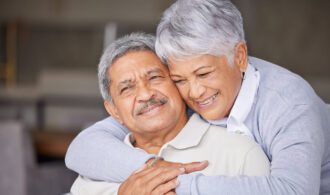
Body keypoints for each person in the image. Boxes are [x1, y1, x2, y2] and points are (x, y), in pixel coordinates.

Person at [66, 0, 330, 194]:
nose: (195, 92)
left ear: (239, 57)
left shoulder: (290, 105)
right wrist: (153, 168)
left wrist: (174, 182)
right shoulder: (180, 100)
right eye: (179, 79)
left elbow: (294, 191)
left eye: (204, 74)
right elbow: (82, 148)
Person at [69, 33, 270, 195]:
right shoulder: (97, 167)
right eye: (127, 89)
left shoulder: (241, 154)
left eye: (155, 77)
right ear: (114, 111)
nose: (146, 94)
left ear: (177, 82)